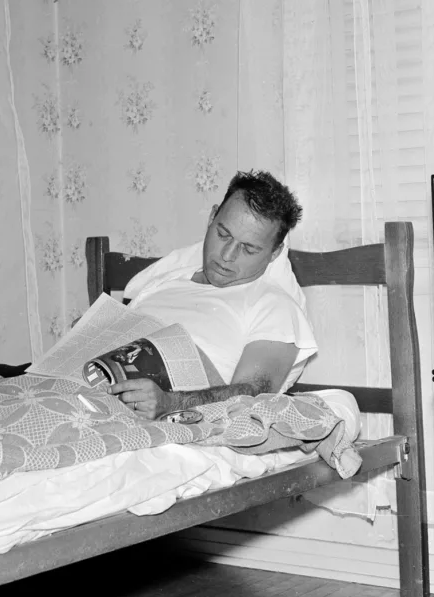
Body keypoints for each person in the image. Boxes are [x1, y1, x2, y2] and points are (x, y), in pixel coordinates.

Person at [109, 170, 317, 421]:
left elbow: (251, 396)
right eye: (223, 234)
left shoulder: (273, 306)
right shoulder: (161, 282)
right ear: (211, 217)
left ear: (274, 254)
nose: (227, 255)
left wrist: (171, 403)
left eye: (248, 248)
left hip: (165, 418)